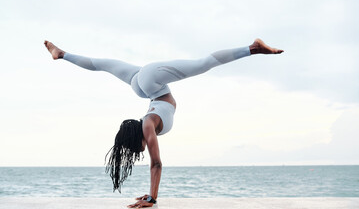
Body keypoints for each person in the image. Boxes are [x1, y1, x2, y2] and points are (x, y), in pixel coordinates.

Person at [44, 39, 283, 208]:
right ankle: (61, 54)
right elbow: (153, 160)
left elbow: (156, 163)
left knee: (202, 63)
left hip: (149, 81)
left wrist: (152, 198)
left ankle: (252, 48)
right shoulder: (147, 121)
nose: (136, 152)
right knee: (102, 64)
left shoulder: (148, 125)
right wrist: (151, 194)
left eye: (131, 148)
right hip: (144, 86)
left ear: (134, 137)